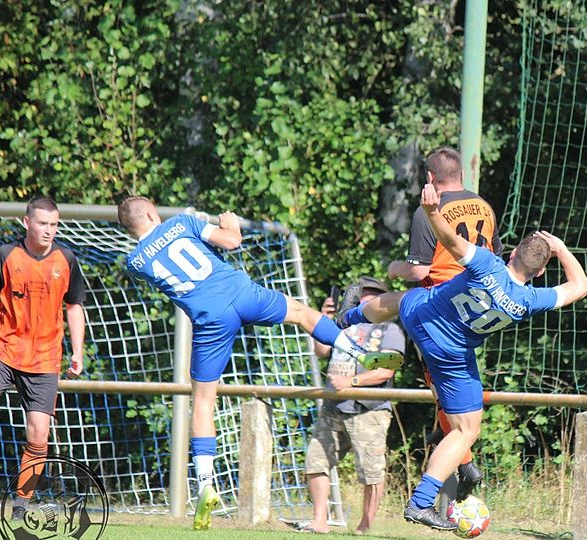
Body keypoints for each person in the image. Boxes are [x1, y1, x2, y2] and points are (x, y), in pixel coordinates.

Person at [117, 197, 395, 530]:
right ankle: (359, 352)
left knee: (203, 402)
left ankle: (205, 486)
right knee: (301, 313)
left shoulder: (135, 261)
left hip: (210, 320)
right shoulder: (181, 222)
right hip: (241, 295)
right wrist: (230, 223)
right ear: (151, 212)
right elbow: (231, 242)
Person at [338, 183, 587, 530]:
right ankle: (422, 502)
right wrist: (560, 249)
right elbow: (580, 287)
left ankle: (350, 316)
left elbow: (451, 240)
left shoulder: (488, 263)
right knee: (466, 430)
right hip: (450, 354)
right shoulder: (531, 300)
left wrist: (431, 212)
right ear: (541, 272)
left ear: (512, 254)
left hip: (423, 318)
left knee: (405, 298)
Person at [384, 146, 502, 500]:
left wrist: (395, 268)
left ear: (430, 178)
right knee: (448, 385)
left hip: (441, 308)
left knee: (441, 384)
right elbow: (493, 256)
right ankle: (454, 444)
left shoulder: (430, 210)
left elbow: (419, 269)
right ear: (462, 173)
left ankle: (463, 462)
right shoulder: (484, 206)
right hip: (477, 304)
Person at [0, 197, 86, 521]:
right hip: (3, 348)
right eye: (43, 223)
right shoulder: (5, 255)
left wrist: (78, 350)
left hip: (44, 356)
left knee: (39, 434)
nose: (49, 230)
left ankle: (20, 504)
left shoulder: (66, 259)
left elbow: (74, 307)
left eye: (54, 224)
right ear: (27, 222)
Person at [302, 276, 404, 534]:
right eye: (361, 294)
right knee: (315, 461)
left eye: (371, 294)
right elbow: (321, 351)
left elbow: (386, 370)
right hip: (333, 406)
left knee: (371, 472)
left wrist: (351, 382)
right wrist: (323, 320)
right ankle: (320, 521)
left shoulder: (389, 329)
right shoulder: (341, 326)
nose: (364, 298)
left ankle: (364, 527)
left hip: (369, 409)